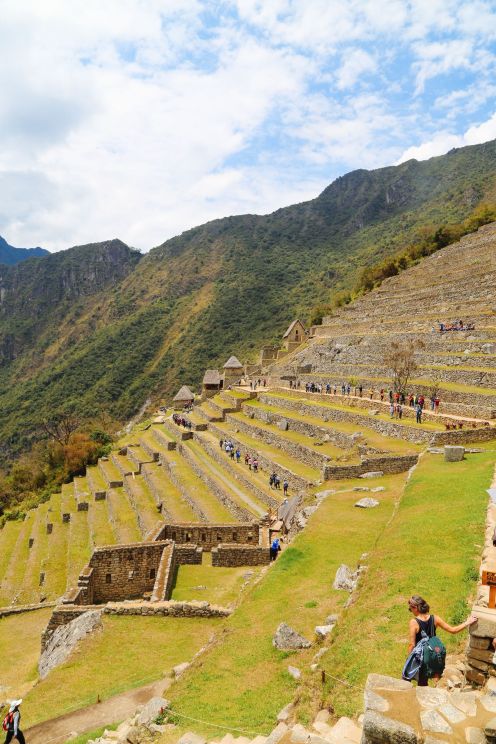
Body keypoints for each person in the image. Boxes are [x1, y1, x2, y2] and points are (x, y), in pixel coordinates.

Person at [406, 596, 476, 686]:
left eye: (410, 609)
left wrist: (409, 659)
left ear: (415, 608)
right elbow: (453, 630)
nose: (410, 611)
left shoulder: (414, 622)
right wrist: (467, 622)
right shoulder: (435, 618)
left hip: (424, 656)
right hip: (435, 652)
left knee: (416, 681)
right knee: (436, 679)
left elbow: (412, 644)